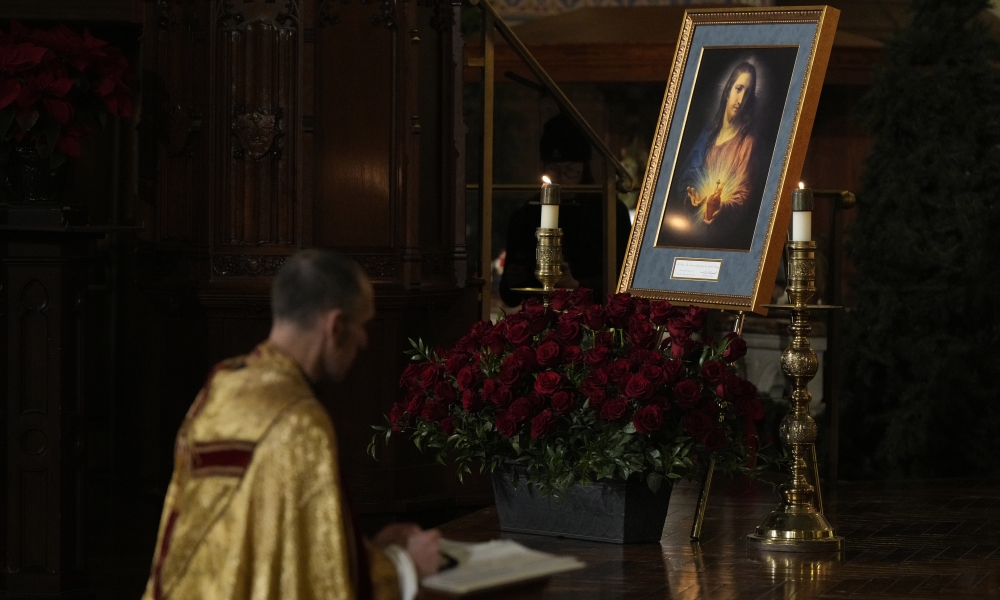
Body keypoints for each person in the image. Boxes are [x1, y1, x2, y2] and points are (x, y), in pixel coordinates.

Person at [142, 250, 440, 600]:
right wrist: (404, 566)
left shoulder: (222, 386)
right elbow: (321, 587)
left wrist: (364, 550)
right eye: (363, 325)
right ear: (335, 326)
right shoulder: (300, 424)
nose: (364, 341)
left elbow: (254, 538)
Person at [499, 112, 632, 307]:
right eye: (553, 168)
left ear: (583, 168)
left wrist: (577, 286)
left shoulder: (609, 212)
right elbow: (509, 295)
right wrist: (515, 279)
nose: (561, 177)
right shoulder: (526, 214)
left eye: (570, 169)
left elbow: (626, 280)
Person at [680, 62, 757, 227]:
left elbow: (743, 195)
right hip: (691, 229)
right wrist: (692, 196)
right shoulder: (707, 136)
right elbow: (687, 178)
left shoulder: (746, 143)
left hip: (721, 230)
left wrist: (721, 207)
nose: (741, 99)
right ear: (728, 90)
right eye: (739, 89)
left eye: (747, 93)